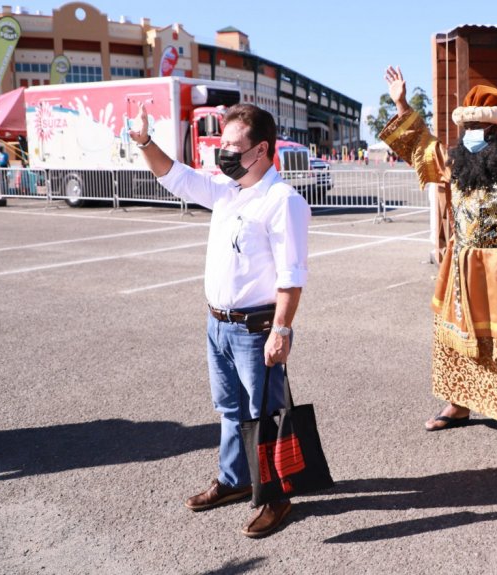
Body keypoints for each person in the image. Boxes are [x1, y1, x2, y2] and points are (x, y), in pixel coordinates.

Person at [129, 102, 311, 538]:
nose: (222, 151)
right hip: (218, 325)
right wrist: (144, 142)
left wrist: (282, 329)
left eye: (232, 144)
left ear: (261, 149)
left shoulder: (281, 201)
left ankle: (275, 497)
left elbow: (291, 275)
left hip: (255, 329)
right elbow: (176, 177)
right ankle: (235, 480)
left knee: (263, 414)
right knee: (230, 411)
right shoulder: (228, 192)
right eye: (222, 141)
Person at [381, 66, 497, 474]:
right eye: (467, 128)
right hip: (460, 274)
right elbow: (423, 147)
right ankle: (459, 403)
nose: (469, 137)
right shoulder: (460, 168)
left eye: (480, 128)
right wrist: (401, 103)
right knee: (453, 342)